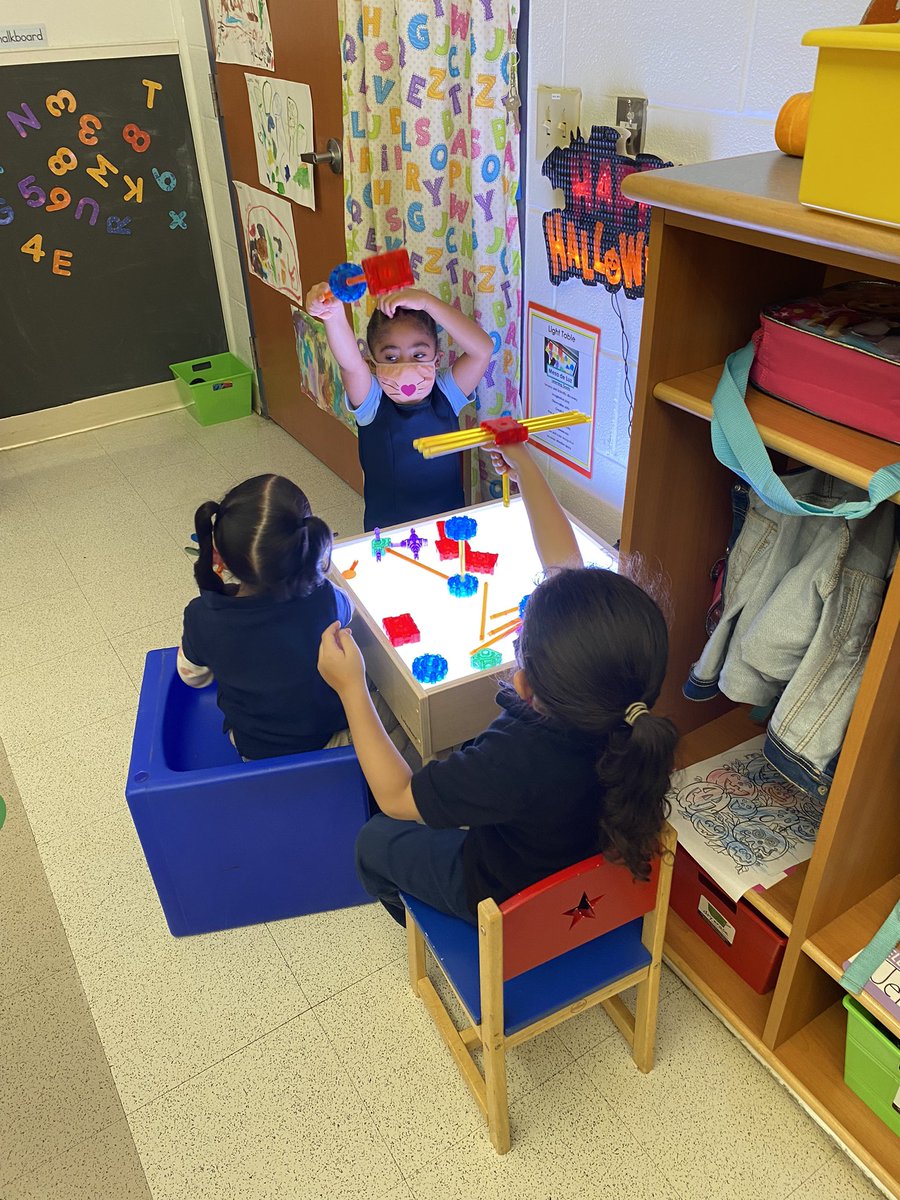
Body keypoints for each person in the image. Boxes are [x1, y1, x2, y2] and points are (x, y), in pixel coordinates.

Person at [317, 442, 678, 925]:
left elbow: (398, 797)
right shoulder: (624, 696)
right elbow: (568, 573)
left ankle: (438, 930)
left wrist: (352, 689)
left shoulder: (511, 757)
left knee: (375, 840)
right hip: (582, 868)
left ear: (525, 684)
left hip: (502, 896)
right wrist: (524, 464)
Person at [177, 474, 353, 761]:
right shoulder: (325, 597)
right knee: (392, 713)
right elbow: (349, 611)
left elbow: (193, 678)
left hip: (253, 748)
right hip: (327, 741)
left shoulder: (202, 616)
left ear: (218, 557)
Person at [305, 282, 493, 531]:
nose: (406, 368)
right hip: (391, 535)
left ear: (437, 359)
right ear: (373, 363)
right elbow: (350, 364)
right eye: (391, 358)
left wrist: (427, 302)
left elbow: (483, 350)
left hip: (448, 529)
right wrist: (333, 314)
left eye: (418, 355)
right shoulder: (372, 402)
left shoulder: (447, 394)